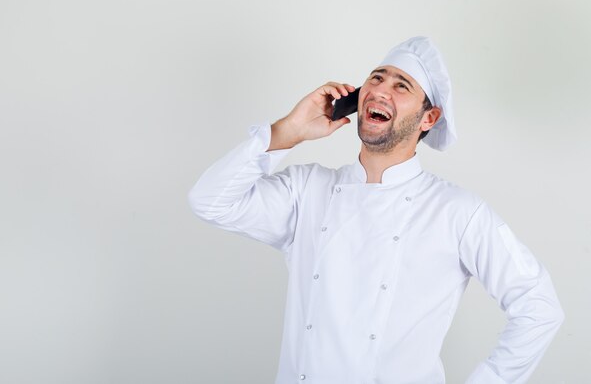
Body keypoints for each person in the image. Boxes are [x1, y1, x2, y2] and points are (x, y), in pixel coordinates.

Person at [188, 37, 564, 384]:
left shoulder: (456, 212)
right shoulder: (307, 190)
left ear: (429, 118)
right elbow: (210, 200)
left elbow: (539, 307)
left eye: (402, 85)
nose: (380, 90)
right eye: (376, 78)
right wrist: (289, 129)